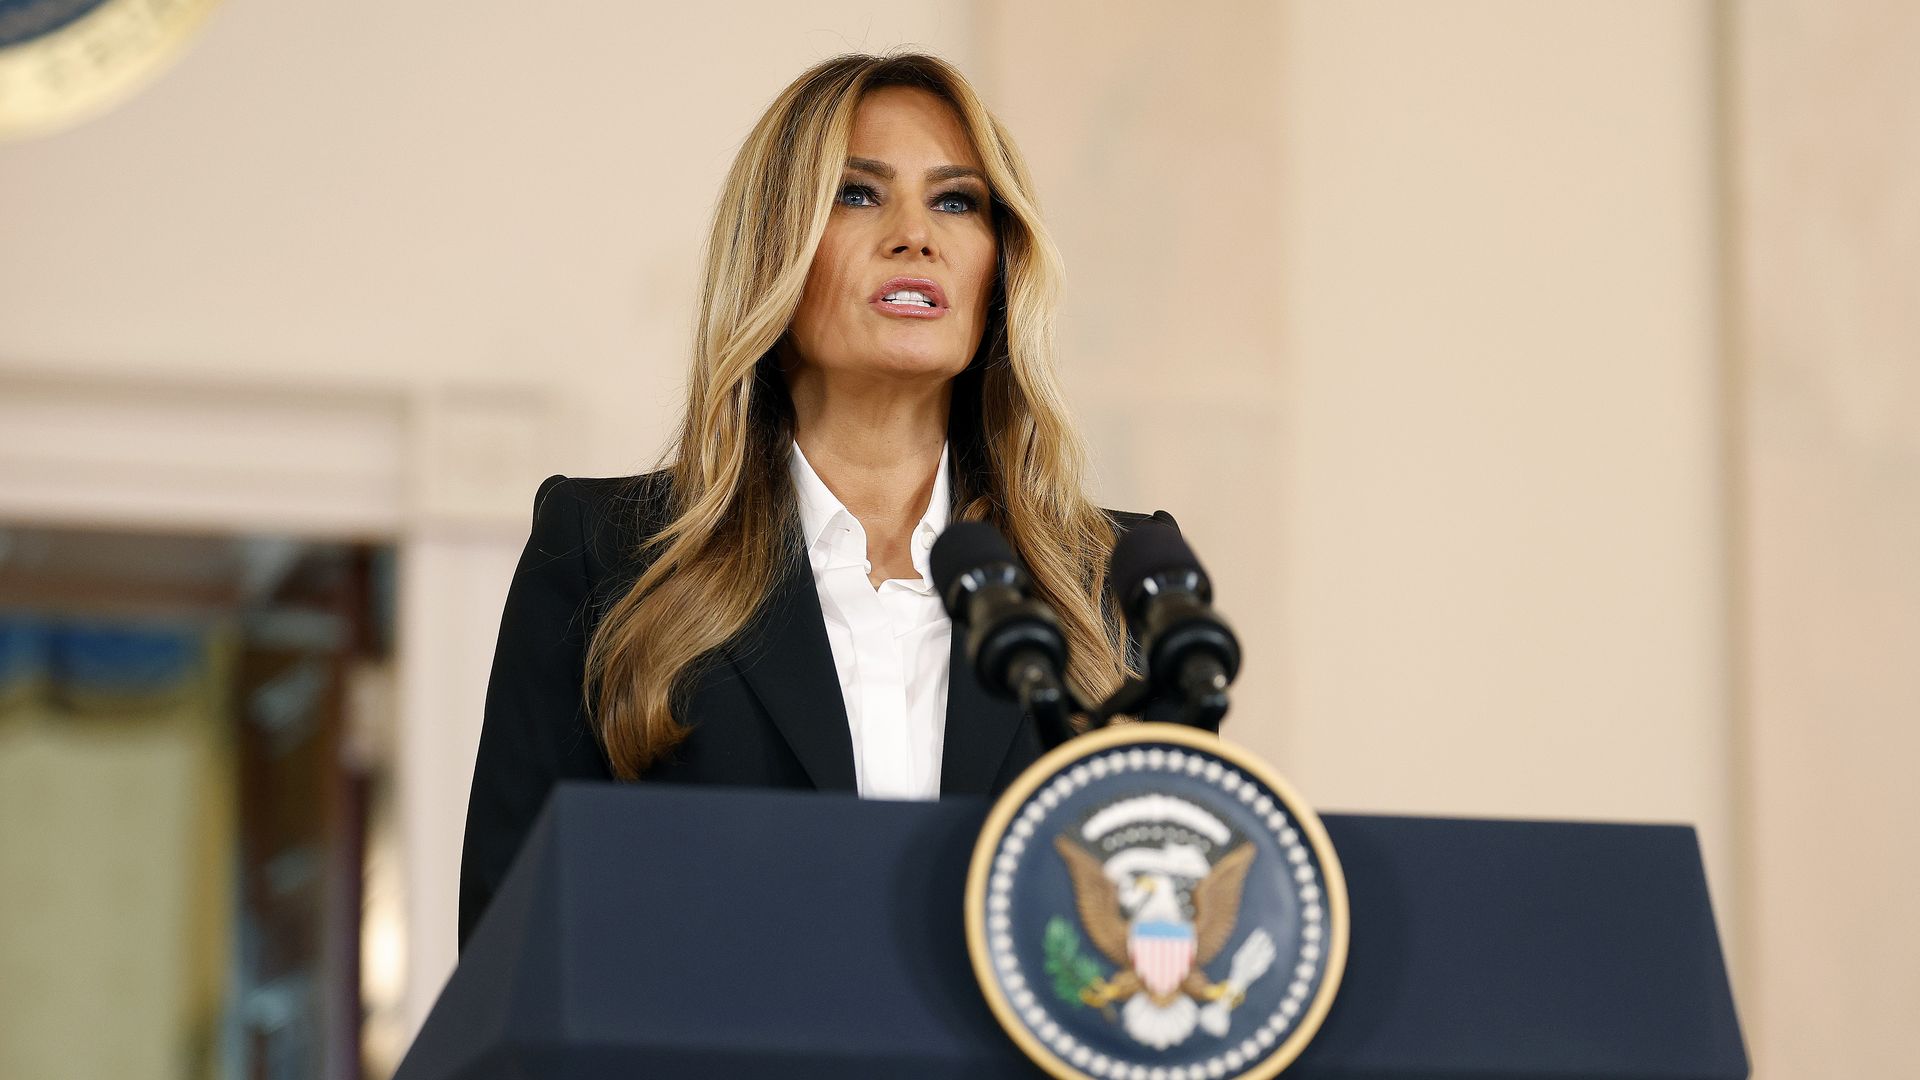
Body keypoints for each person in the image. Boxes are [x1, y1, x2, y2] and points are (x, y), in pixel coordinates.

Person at [457, 52, 1173, 948]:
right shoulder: (603, 555)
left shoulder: (1113, 577)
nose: (917, 235)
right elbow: (513, 951)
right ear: (776, 249)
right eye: (858, 194)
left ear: (999, 266)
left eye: (957, 201)